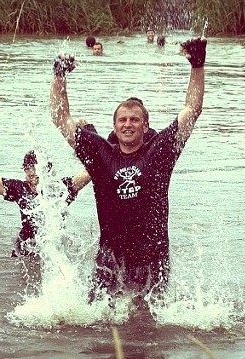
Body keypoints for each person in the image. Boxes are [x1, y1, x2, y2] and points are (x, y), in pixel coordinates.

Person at [49, 37, 207, 304]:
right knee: (97, 321)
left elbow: (191, 111)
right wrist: (59, 76)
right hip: (111, 255)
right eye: (122, 119)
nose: (128, 124)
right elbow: (61, 118)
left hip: (152, 257)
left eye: (135, 119)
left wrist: (197, 65)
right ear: (114, 126)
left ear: (145, 126)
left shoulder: (159, 153)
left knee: (150, 324)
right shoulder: (101, 155)